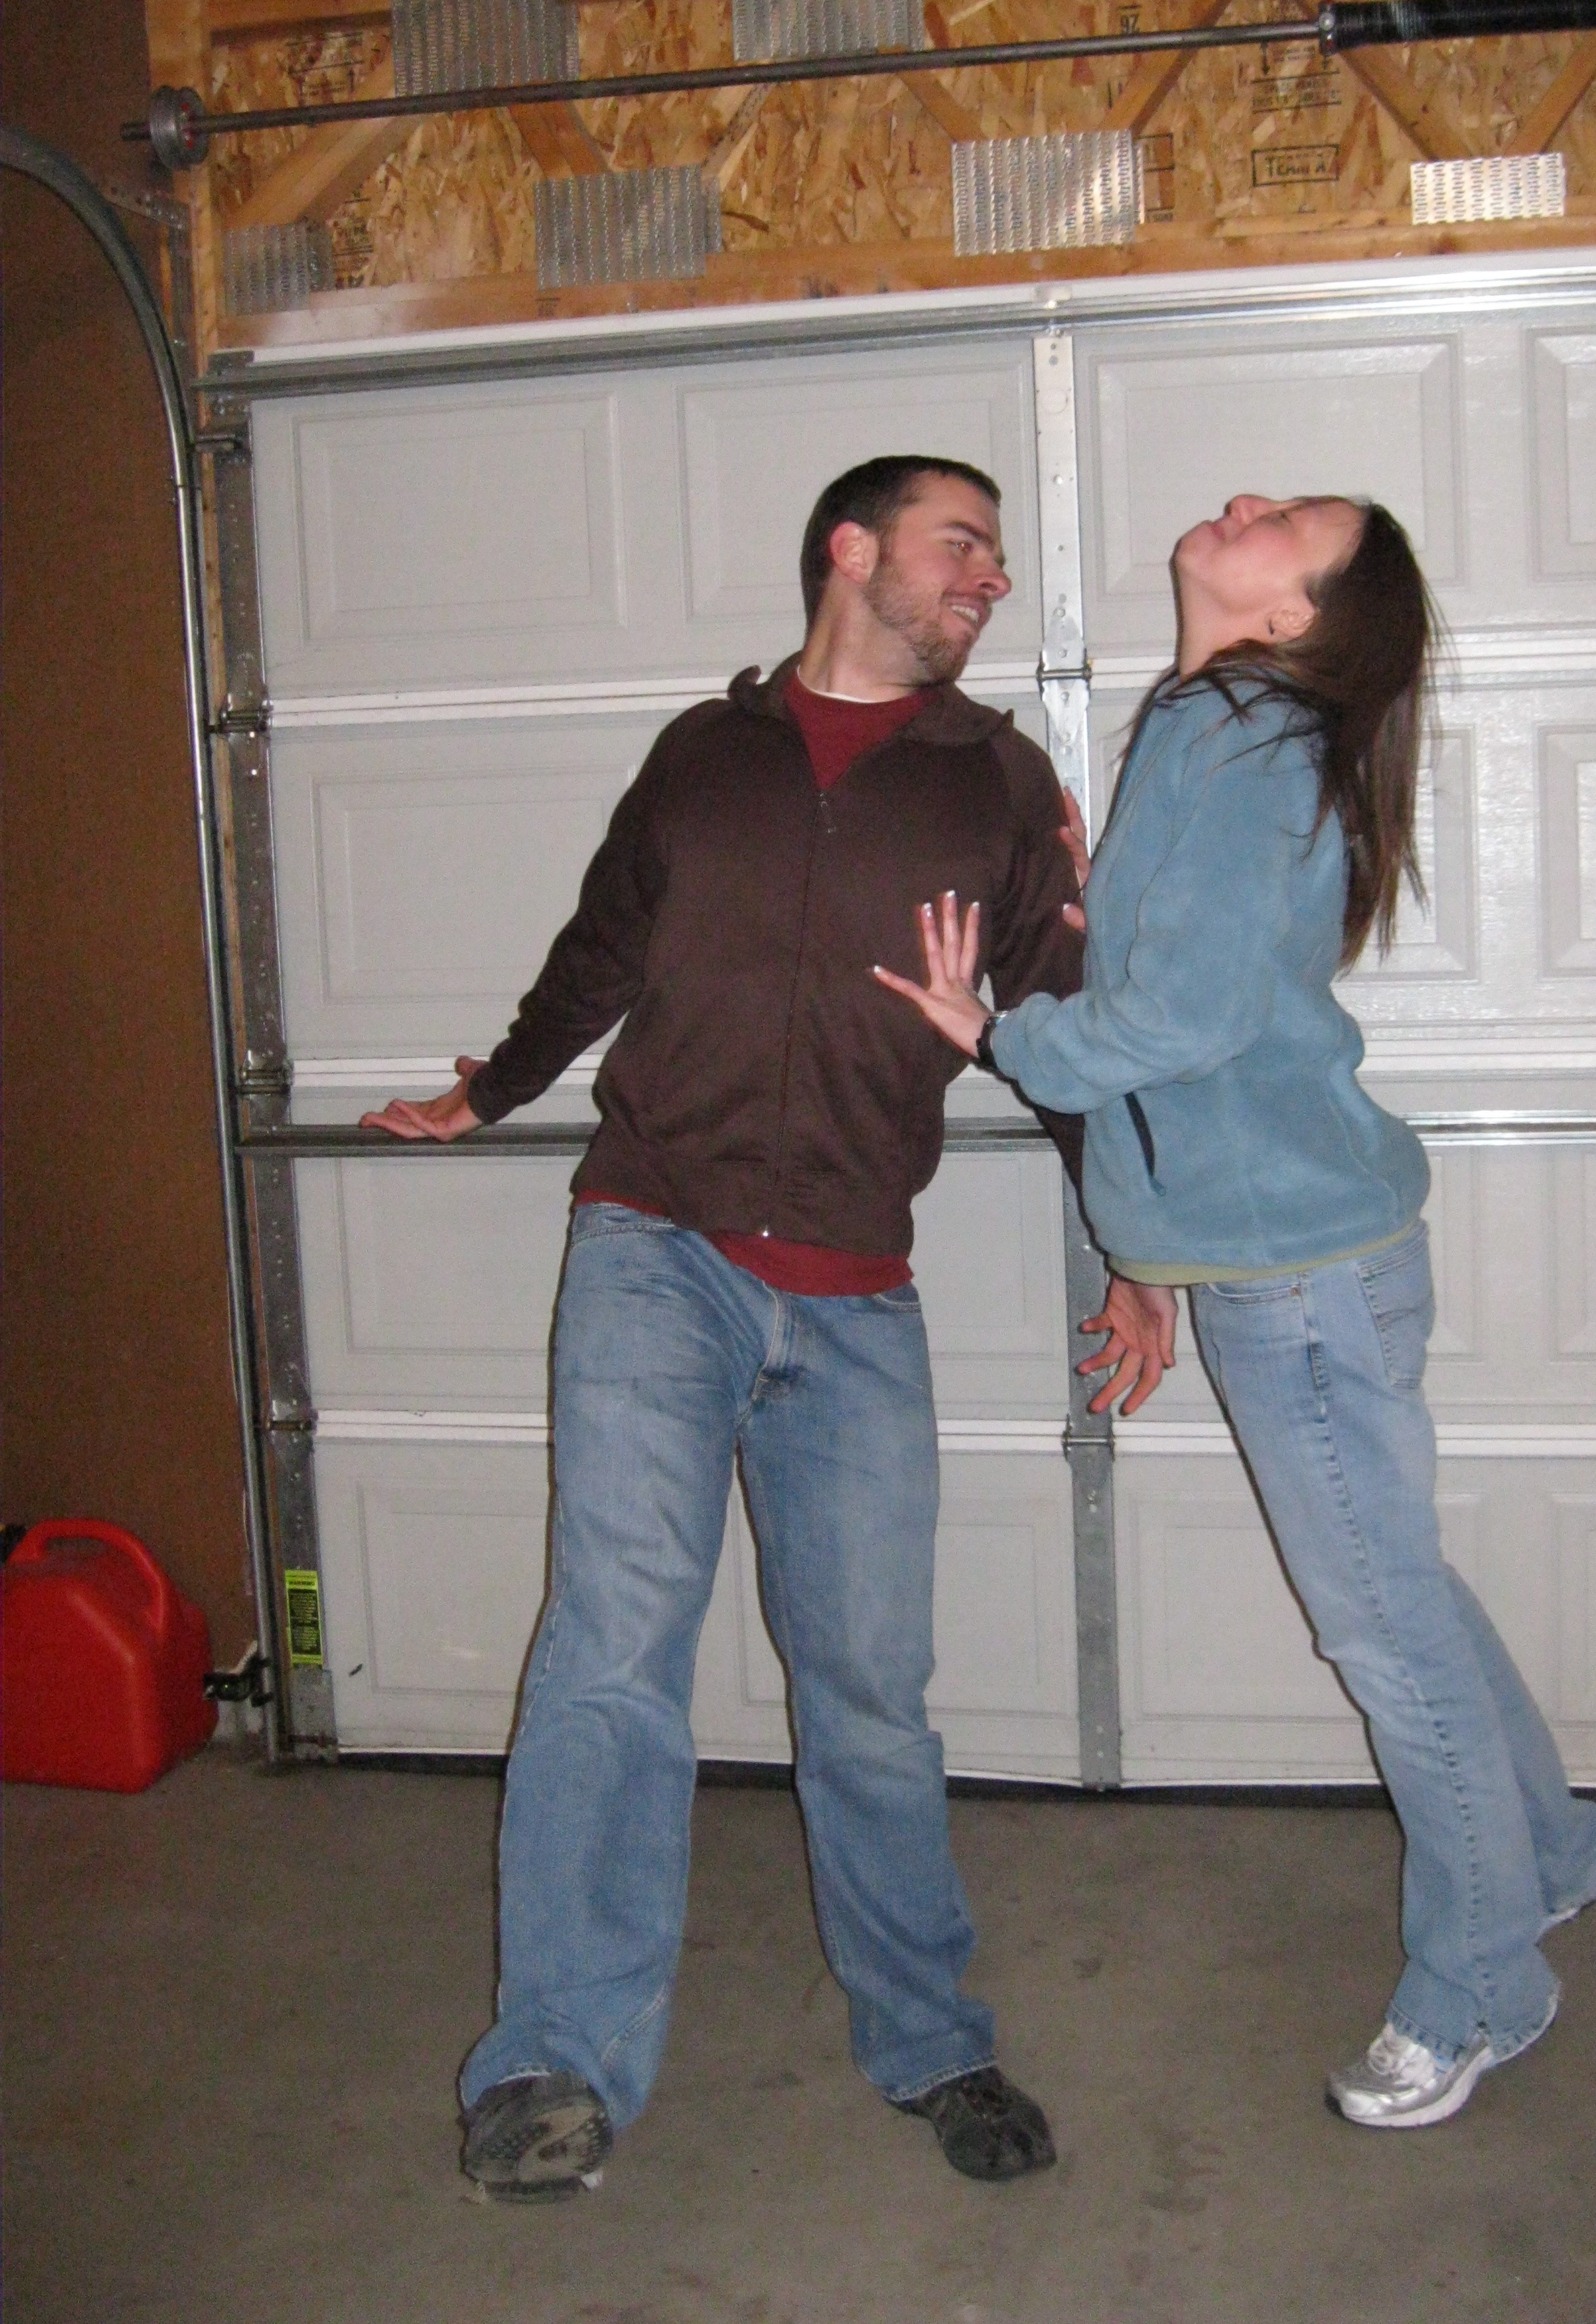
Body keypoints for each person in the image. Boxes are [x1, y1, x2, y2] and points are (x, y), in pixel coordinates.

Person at [362, 455, 1089, 2199]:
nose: (989, 581)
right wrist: (497, 1087)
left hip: (853, 1287)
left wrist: (1133, 1242)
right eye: (960, 546)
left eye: (993, 558)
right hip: (654, 1247)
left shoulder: (998, 782)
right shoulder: (705, 755)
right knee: (612, 1648)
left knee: (869, 1690)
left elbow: (1069, 1027)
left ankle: (932, 2039)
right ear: (855, 553)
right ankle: (553, 2059)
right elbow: (600, 948)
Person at [875, 489, 1596, 2131]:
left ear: (1295, 615)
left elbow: (1186, 1016)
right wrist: (1143, 1243)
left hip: (1301, 1285)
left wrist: (1001, 1035)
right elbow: (1193, 998)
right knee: (1403, 1589)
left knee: (1380, 1626)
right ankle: (1553, 1847)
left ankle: (1487, 1978)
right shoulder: (1219, 724)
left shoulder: (1243, 740)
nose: (1243, 502)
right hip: (1294, 1256)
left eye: (1288, 518)